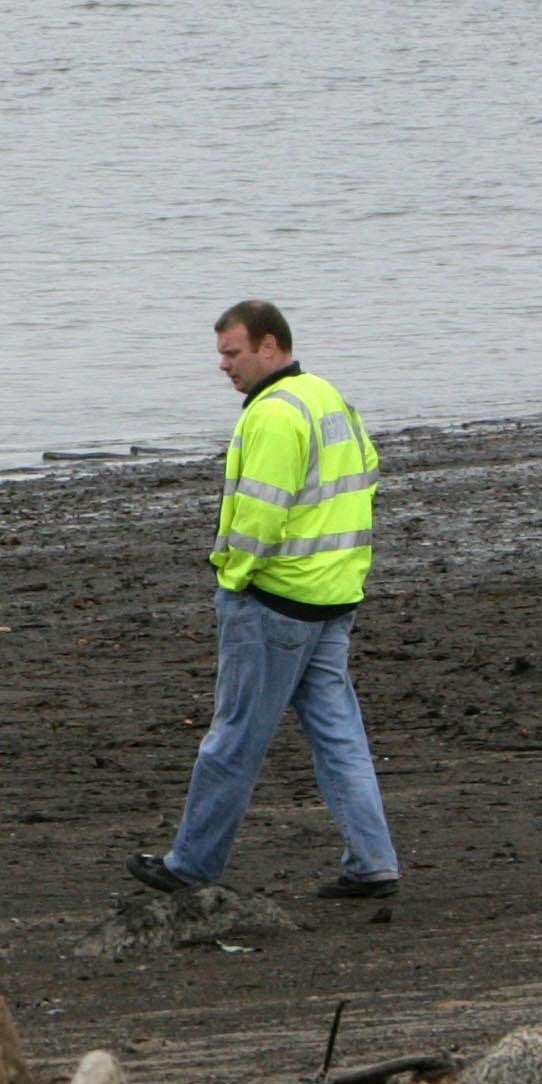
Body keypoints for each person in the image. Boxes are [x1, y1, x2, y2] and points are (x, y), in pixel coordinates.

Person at [130, 299, 398, 902]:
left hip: (277, 601)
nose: (224, 366)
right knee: (338, 735)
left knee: (234, 737)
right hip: (333, 596)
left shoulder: (273, 414)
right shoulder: (329, 397)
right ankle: (373, 862)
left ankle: (193, 865)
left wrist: (232, 577)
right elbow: (368, 474)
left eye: (233, 353)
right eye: (222, 354)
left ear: (269, 347)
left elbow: (259, 514)